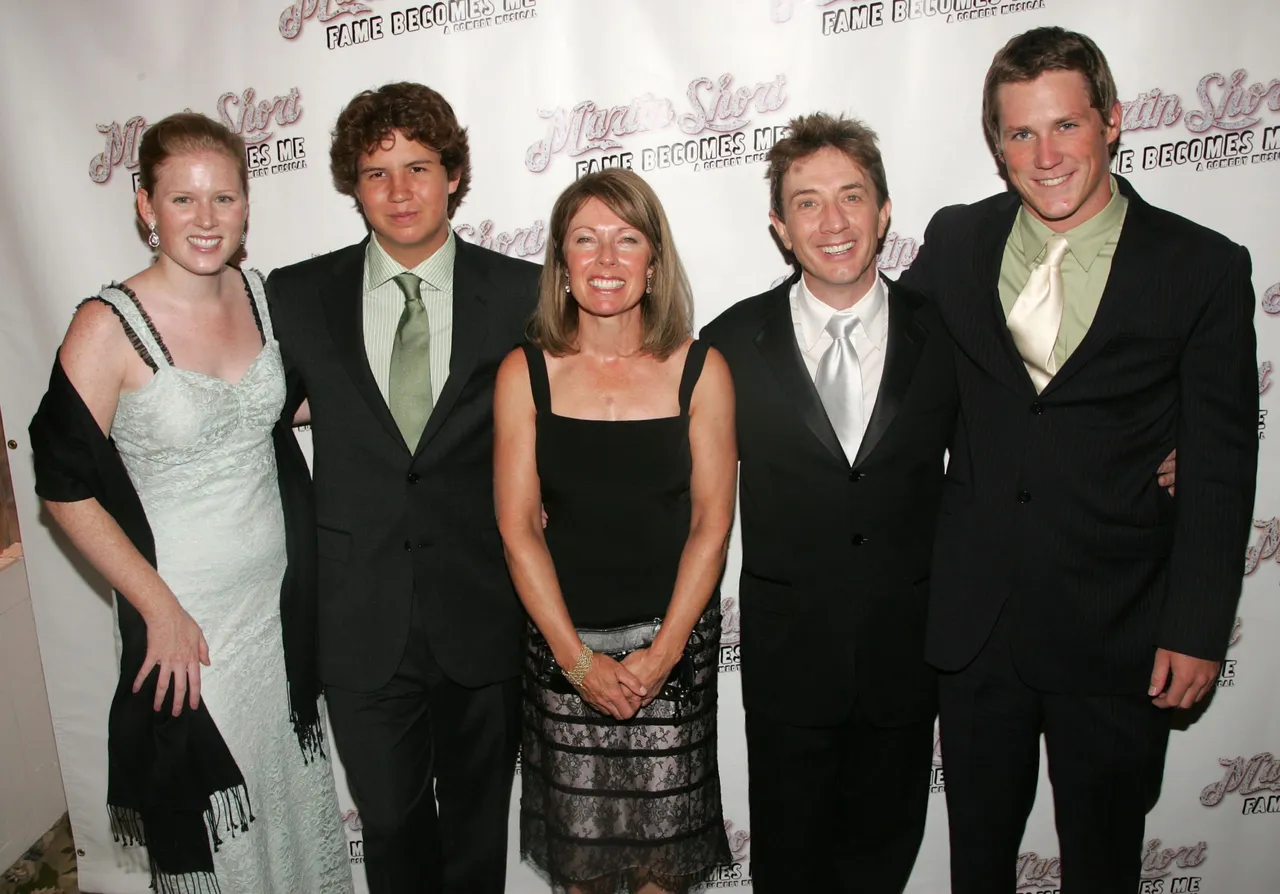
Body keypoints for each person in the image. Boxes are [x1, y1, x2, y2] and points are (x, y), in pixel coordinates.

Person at [899, 26, 1258, 893]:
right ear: (996, 145)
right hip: (977, 628)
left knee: (1104, 865)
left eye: (1065, 126)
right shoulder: (957, 241)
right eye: (1020, 133)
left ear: (1112, 122)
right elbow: (891, 379)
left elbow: (1220, 462)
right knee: (977, 860)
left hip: (1118, 627)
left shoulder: (1201, 266)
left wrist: (1196, 627)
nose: (1045, 153)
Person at [28, 113, 351, 894]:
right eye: (183, 200)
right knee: (223, 832)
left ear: (246, 205)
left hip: (280, 615)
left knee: (290, 811)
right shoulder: (106, 326)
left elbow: (297, 407)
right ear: (145, 204)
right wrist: (159, 610)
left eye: (225, 199)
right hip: (190, 625)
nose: (207, 221)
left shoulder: (264, 297)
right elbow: (62, 488)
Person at [265, 83, 539, 893]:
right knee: (389, 833)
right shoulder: (296, 294)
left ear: (453, 174)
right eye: (377, 172)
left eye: (418, 167)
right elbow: (252, 426)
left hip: (483, 611)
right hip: (358, 621)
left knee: (476, 836)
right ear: (353, 184)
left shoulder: (521, 292)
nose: (399, 191)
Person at [700, 113, 957, 893]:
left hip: (908, 660)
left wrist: (1151, 452)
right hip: (788, 668)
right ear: (780, 226)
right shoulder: (729, 343)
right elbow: (668, 476)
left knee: (882, 866)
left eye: (852, 196)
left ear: (884, 212)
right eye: (807, 202)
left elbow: (1022, 441)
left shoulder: (946, 332)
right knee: (788, 871)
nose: (833, 221)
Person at [494, 168, 737, 894]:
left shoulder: (701, 369)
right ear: (561, 263)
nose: (606, 260)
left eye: (627, 240)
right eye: (586, 241)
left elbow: (711, 527)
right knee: (585, 879)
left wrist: (661, 656)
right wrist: (577, 664)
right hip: (564, 664)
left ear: (654, 260)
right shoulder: (525, 373)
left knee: (661, 879)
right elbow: (517, 530)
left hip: (672, 663)